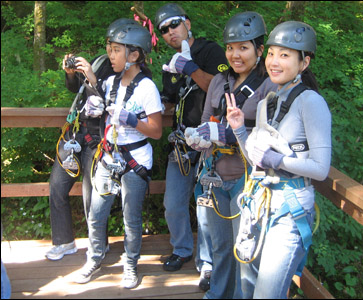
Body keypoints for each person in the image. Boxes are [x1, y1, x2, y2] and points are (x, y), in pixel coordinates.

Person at [225, 21, 332, 298]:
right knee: (250, 284)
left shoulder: (311, 102)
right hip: (262, 204)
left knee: (266, 294)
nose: (274, 61)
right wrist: (239, 129)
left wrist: (277, 159)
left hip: (290, 209)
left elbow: (320, 169)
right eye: (272, 53)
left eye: (284, 55)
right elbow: (256, 161)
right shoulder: (266, 103)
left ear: (304, 63)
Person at [184, 11, 277, 299]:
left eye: (244, 48)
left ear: (260, 51)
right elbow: (207, 119)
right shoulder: (218, 82)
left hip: (246, 180)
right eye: (230, 48)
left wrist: (232, 136)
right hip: (214, 176)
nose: (235, 55)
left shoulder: (268, 86)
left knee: (245, 251)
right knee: (220, 248)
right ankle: (217, 294)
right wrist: (199, 137)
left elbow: (269, 136)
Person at [73, 23, 163, 289]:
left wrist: (131, 119)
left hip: (135, 159)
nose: (110, 55)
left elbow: (156, 131)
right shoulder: (109, 82)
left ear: (133, 55)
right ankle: (94, 257)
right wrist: (94, 105)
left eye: (115, 50)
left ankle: (131, 264)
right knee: (96, 213)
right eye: (109, 49)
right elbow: (101, 104)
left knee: (131, 218)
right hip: (109, 157)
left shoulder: (147, 88)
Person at [45, 18, 136, 261]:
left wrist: (93, 79)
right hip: (75, 134)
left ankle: (99, 245)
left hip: (97, 138)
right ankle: (64, 241)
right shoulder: (100, 60)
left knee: (92, 195)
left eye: (116, 46)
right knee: (57, 186)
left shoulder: (126, 71)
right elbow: (77, 92)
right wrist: (71, 74)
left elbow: (112, 105)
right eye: (109, 45)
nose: (111, 50)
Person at [154, 3, 228, 291]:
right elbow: (171, 98)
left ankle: (207, 264)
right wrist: (154, 104)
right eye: (163, 30)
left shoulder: (211, 52)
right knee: (173, 204)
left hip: (211, 142)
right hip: (182, 142)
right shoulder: (172, 62)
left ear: (186, 22)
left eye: (173, 24)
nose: (170, 32)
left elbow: (219, 88)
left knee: (205, 205)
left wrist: (191, 67)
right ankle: (182, 249)